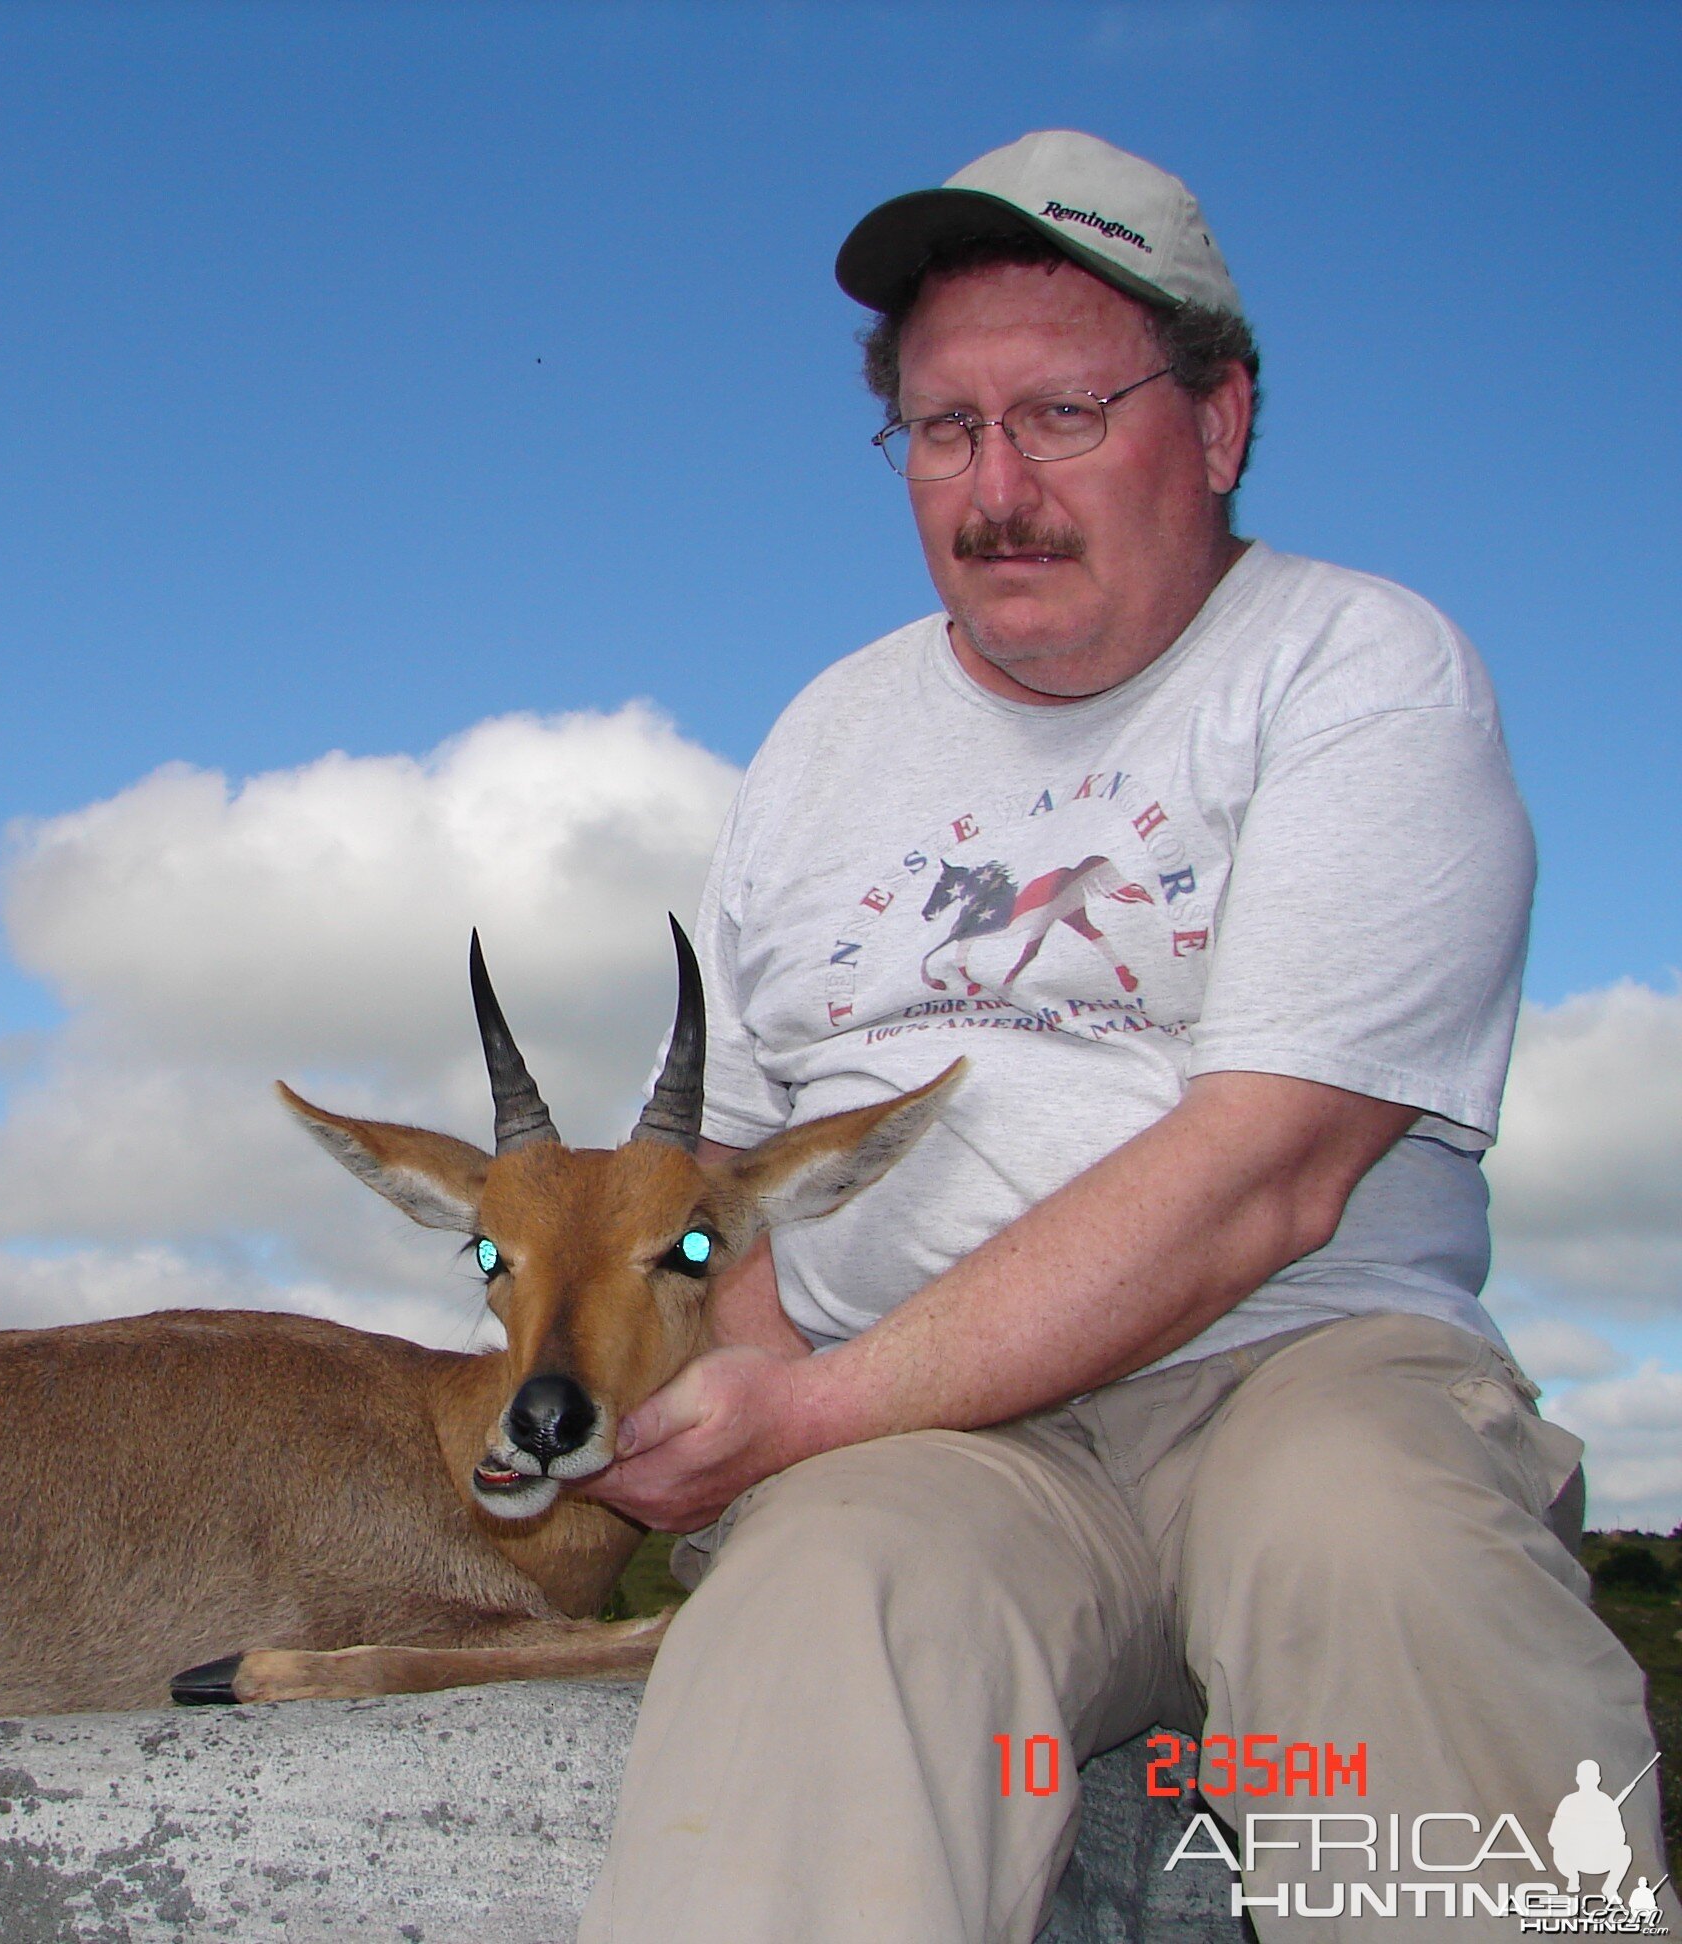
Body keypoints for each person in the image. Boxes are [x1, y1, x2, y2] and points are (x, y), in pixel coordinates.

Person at [577, 129, 1663, 1941]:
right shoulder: (822, 740)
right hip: (938, 1460)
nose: (996, 488)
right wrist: (748, 1383)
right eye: (944, 429)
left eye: (1064, 414)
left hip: (1296, 1374)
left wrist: (814, 1407)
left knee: (1376, 1551)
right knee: (825, 1598)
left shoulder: (1356, 668)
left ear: (1221, 420)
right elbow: (717, 1158)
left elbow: (1268, 1177)